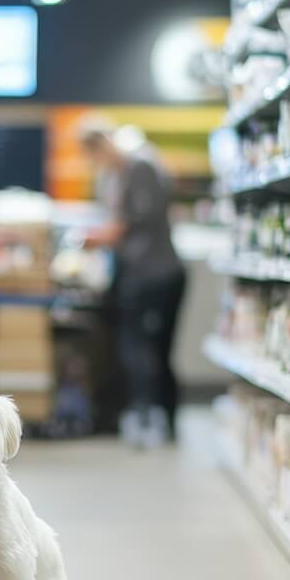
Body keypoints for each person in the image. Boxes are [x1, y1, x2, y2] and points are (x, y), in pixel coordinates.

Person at [80, 120, 186, 448]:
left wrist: (98, 238)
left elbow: (132, 222)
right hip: (150, 272)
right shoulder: (117, 175)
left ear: (104, 143)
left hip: (152, 274)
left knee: (140, 347)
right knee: (152, 349)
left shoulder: (140, 167)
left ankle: (147, 416)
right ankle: (161, 418)